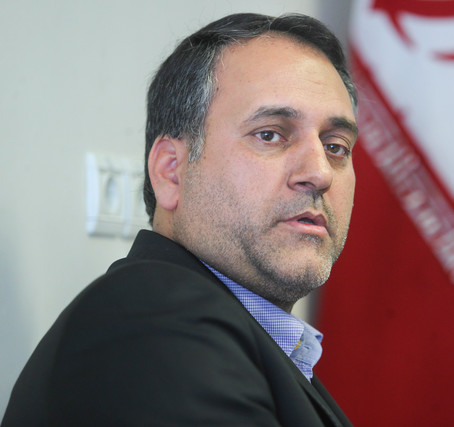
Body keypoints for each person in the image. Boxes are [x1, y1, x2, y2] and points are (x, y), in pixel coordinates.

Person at [1, 12, 357, 427]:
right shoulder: (153, 320)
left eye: (335, 146)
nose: (320, 172)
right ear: (171, 171)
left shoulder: (231, 335)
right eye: (270, 134)